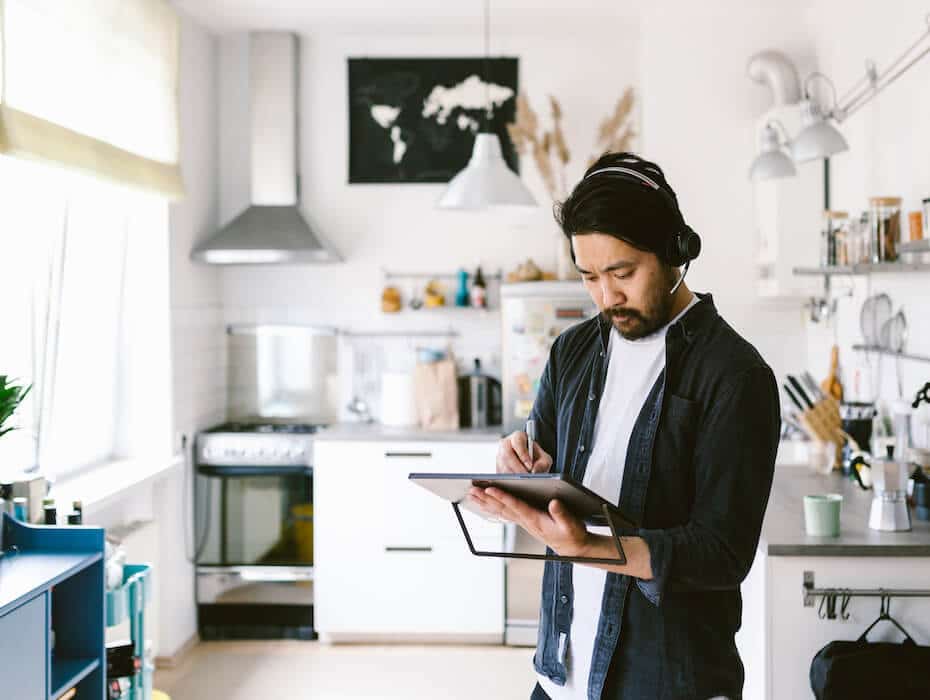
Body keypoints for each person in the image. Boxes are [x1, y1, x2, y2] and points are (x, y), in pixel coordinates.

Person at [469, 153, 781, 700]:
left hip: (666, 682)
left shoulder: (735, 374)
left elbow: (722, 553)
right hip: (559, 674)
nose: (606, 297)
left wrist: (590, 550)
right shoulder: (572, 350)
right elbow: (546, 466)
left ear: (674, 251)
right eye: (589, 276)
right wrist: (522, 467)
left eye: (623, 273)